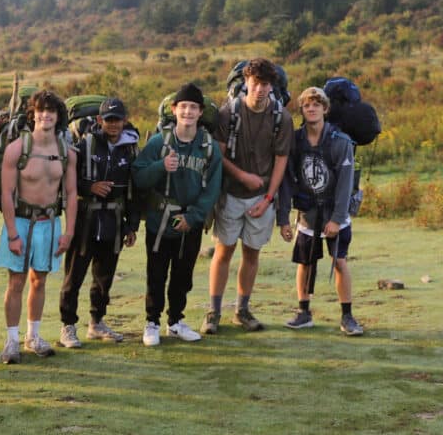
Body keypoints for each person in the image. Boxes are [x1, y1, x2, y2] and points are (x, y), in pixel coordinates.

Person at [205, 58, 293, 334]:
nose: (259, 89)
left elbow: (281, 161)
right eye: (255, 83)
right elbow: (218, 154)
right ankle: (214, 311)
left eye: (265, 84)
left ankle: (241, 310)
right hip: (230, 193)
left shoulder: (281, 118)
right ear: (246, 82)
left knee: (252, 254)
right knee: (223, 251)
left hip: (262, 198)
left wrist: (268, 199)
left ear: (272, 86)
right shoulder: (228, 113)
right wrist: (242, 176)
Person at [133, 83, 222, 346]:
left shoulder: (208, 147)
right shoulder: (160, 141)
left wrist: (193, 217)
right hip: (160, 220)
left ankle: (175, 321)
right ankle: (152, 322)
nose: (187, 112)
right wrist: (161, 166)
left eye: (193, 107)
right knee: (156, 273)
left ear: (200, 112)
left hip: (190, 221)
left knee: (183, 274)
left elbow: (213, 187)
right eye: (183, 106)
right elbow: (138, 177)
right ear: (174, 110)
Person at [0, 89, 77, 364]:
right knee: (16, 281)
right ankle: (11, 341)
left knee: (39, 280)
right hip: (20, 220)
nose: (46, 116)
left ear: (58, 116)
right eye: (41, 111)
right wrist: (12, 234)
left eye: (51, 111)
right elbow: (6, 193)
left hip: (50, 223)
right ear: (33, 115)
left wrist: (68, 232)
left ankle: (34, 336)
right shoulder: (17, 148)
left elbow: (72, 193)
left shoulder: (66, 152)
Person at [277, 87, 364, 337]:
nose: (312, 109)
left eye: (316, 104)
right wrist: (283, 218)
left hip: (335, 212)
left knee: (339, 261)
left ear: (325, 109)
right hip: (307, 213)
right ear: (302, 111)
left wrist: (337, 219)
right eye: (306, 105)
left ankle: (347, 315)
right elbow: (286, 179)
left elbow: (346, 183)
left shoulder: (340, 142)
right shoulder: (296, 141)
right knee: (304, 262)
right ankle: (304, 312)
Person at [57, 97, 139, 348]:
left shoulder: (131, 148)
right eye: (109, 119)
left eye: (118, 119)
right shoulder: (85, 145)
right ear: (100, 120)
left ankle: (96, 323)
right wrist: (90, 186)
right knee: (74, 273)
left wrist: (132, 226)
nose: (113, 124)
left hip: (114, 219)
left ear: (124, 121)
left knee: (105, 276)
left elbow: (134, 191)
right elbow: (67, 181)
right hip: (86, 217)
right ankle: (67, 326)